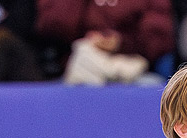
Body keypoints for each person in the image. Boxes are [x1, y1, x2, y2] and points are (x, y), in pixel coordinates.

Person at [34, 0, 173, 85]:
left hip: (135, 68)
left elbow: (161, 37)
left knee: (151, 87)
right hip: (80, 67)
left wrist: (121, 43)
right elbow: (52, 25)